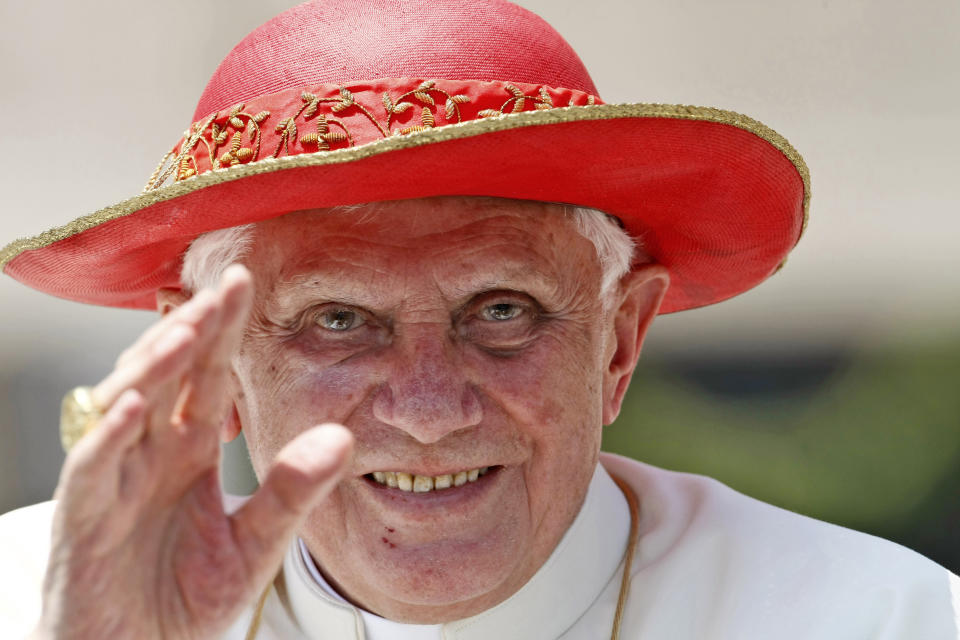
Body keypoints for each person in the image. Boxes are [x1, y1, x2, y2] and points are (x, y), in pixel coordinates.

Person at [0, 0, 957, 638]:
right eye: (336, 320)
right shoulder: (37, 600)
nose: (427, 409)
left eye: (502, 310)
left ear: (619, 340)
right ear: (209, 366)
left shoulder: (879, 619)